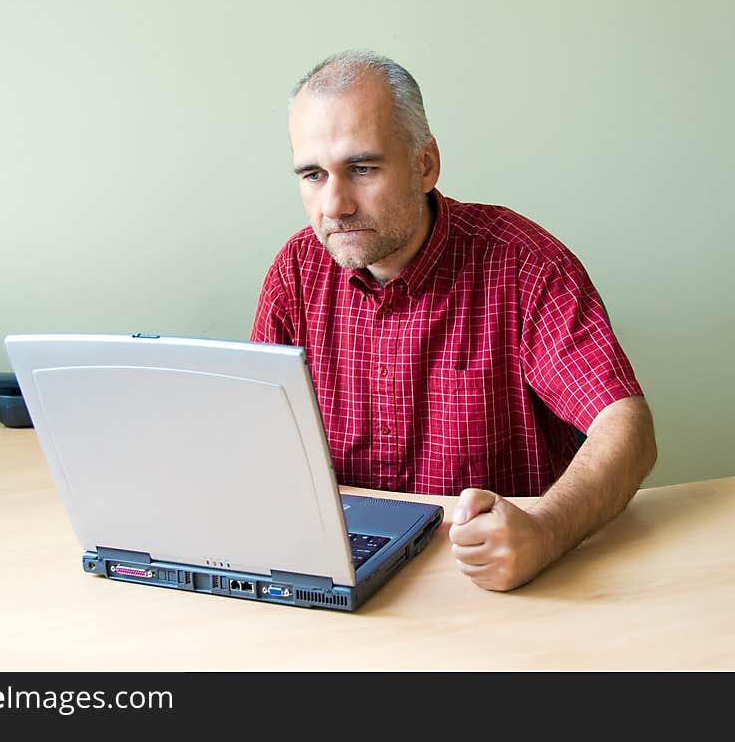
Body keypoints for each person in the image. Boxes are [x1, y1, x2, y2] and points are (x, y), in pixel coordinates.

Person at [250, 50, 657, 592]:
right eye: (313, 175)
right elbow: (259, 443)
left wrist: (546, 529)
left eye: (362, 168)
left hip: (494, 588)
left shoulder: (524, 266)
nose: (335, 204)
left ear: (425, 164)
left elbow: (627, 429)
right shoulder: (295, 272)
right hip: (343, 579)